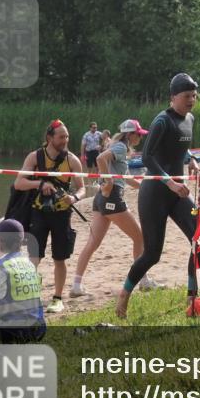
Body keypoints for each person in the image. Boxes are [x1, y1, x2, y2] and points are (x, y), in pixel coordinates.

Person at [117, 74, 200, 319]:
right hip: (155, 193)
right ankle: (125, 293)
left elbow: (181, 147)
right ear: (173, 97)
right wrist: (169, 182)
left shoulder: (190, 118)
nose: (191, 100)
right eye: (187, 96)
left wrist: (193, 160)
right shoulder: (161, 121)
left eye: (194, 96)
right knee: (152, 254)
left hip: (178, 192)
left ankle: (192, 298)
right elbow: (147, 157)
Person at [72, 119, 160, 297]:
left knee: (92, 244)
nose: (140, 138)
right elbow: (100, 158)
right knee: (139, 238)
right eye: (138, 134)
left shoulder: (120, 149)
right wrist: (108, 181)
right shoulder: (120, 147)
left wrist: (148, 187)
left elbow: (126, 178)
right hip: (111, 198)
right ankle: (143, 281)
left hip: (100, 199)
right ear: (130, 134)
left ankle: (76, 285)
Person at [13, 119, 85, 314]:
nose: (65, 140)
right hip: (38, 213)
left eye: (67, 136)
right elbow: (19, 183)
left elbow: (82, 188)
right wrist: (39, 185)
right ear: (49, 138)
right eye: (61, 137)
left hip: (62, 214)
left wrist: (74, 197)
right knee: (34, 256)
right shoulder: (35, 157)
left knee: (59, 258)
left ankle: (57, 298)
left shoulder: (72, 160)